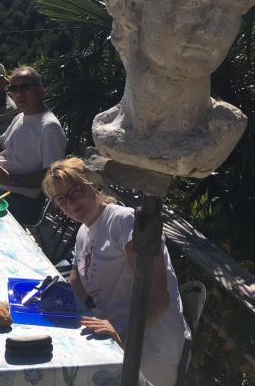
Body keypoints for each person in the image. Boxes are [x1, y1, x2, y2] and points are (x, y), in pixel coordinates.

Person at [93, 0, 255, 177]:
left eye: (230, 12)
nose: (212, 30)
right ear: (132, 9)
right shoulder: (106, 128)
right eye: (194, 4)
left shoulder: (221, 131)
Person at [42, 158, 187, 386]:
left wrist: (123, 337)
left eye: (76, 192)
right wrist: (48, 305)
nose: (70, 203)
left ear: (93, 185)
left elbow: (159, 298)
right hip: (110, 332)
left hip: (146, 346)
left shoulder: (123, 222)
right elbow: (75, 280)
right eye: (61, 199)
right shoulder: (84, 231)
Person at [0, 66, 65, 224]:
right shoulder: (20, 117)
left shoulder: (49, 127)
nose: (18, 93)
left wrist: (11, 179)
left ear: (40, 90)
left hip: (21, 202)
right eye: (13, 88)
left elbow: (54, 177)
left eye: (25, 87)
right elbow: (0, 144)